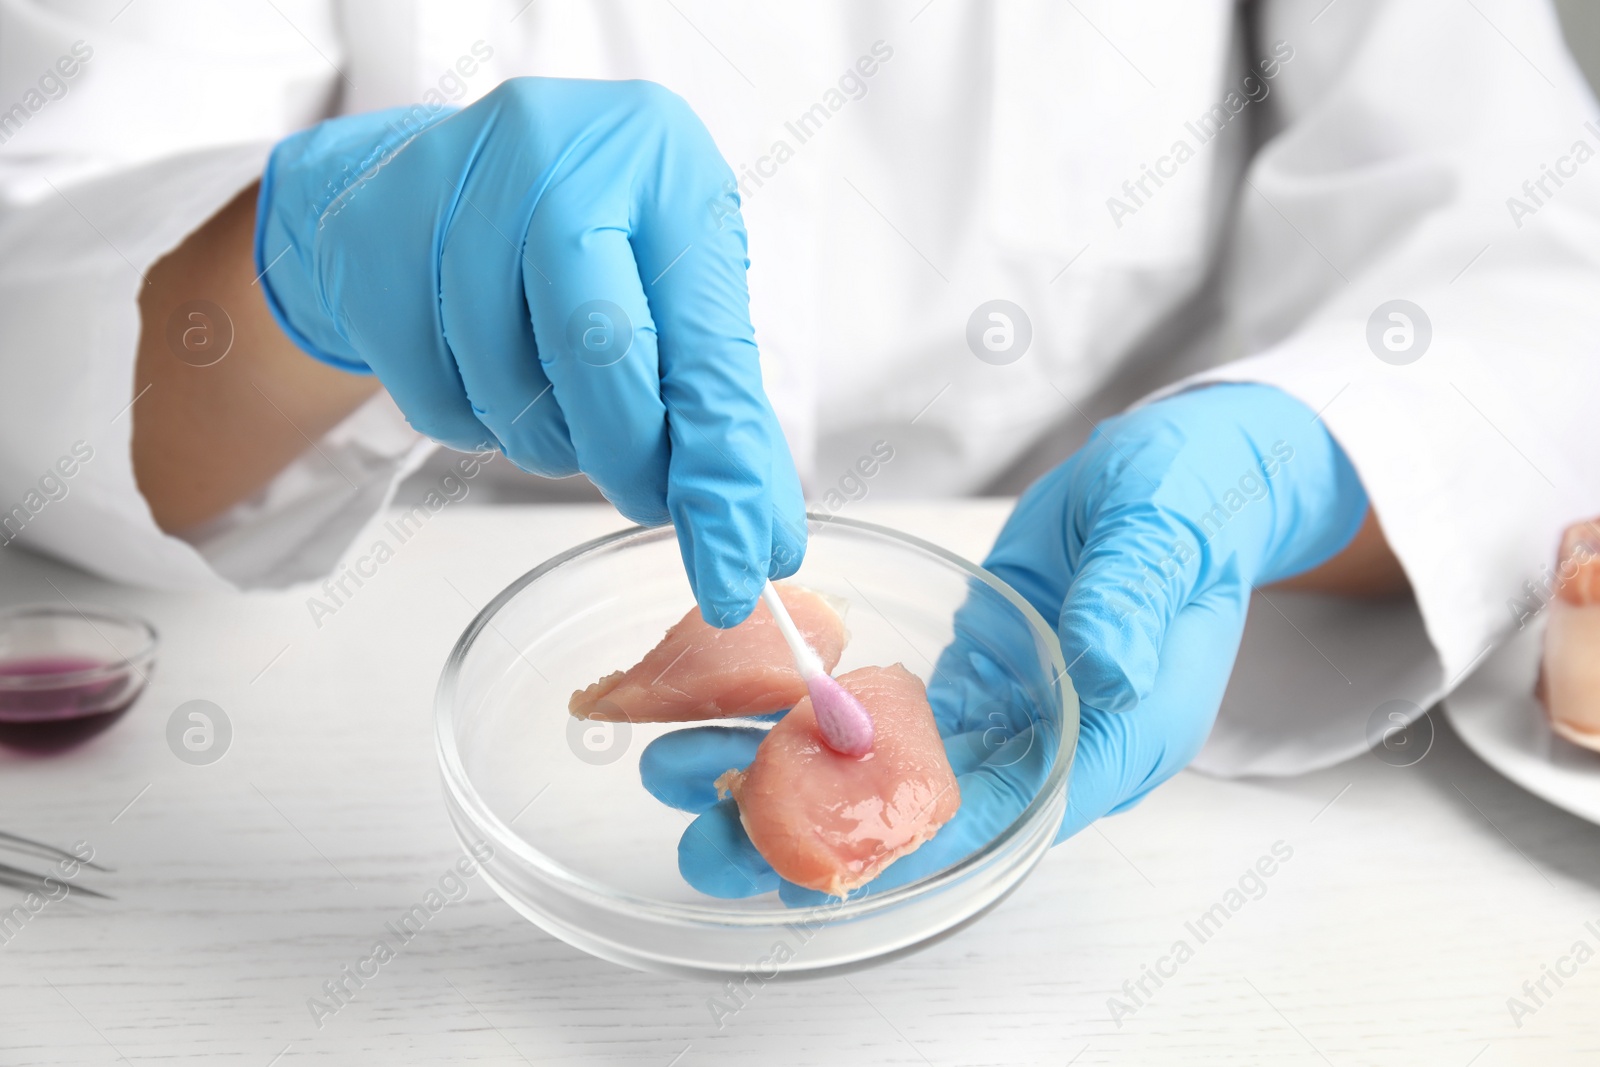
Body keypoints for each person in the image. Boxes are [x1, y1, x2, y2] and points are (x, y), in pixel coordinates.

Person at [2, 1, 1598, 892]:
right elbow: (39, 291)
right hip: (354, 728)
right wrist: (301, 266)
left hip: (1138, 759)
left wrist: (1284, 463)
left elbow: (1520, 232)